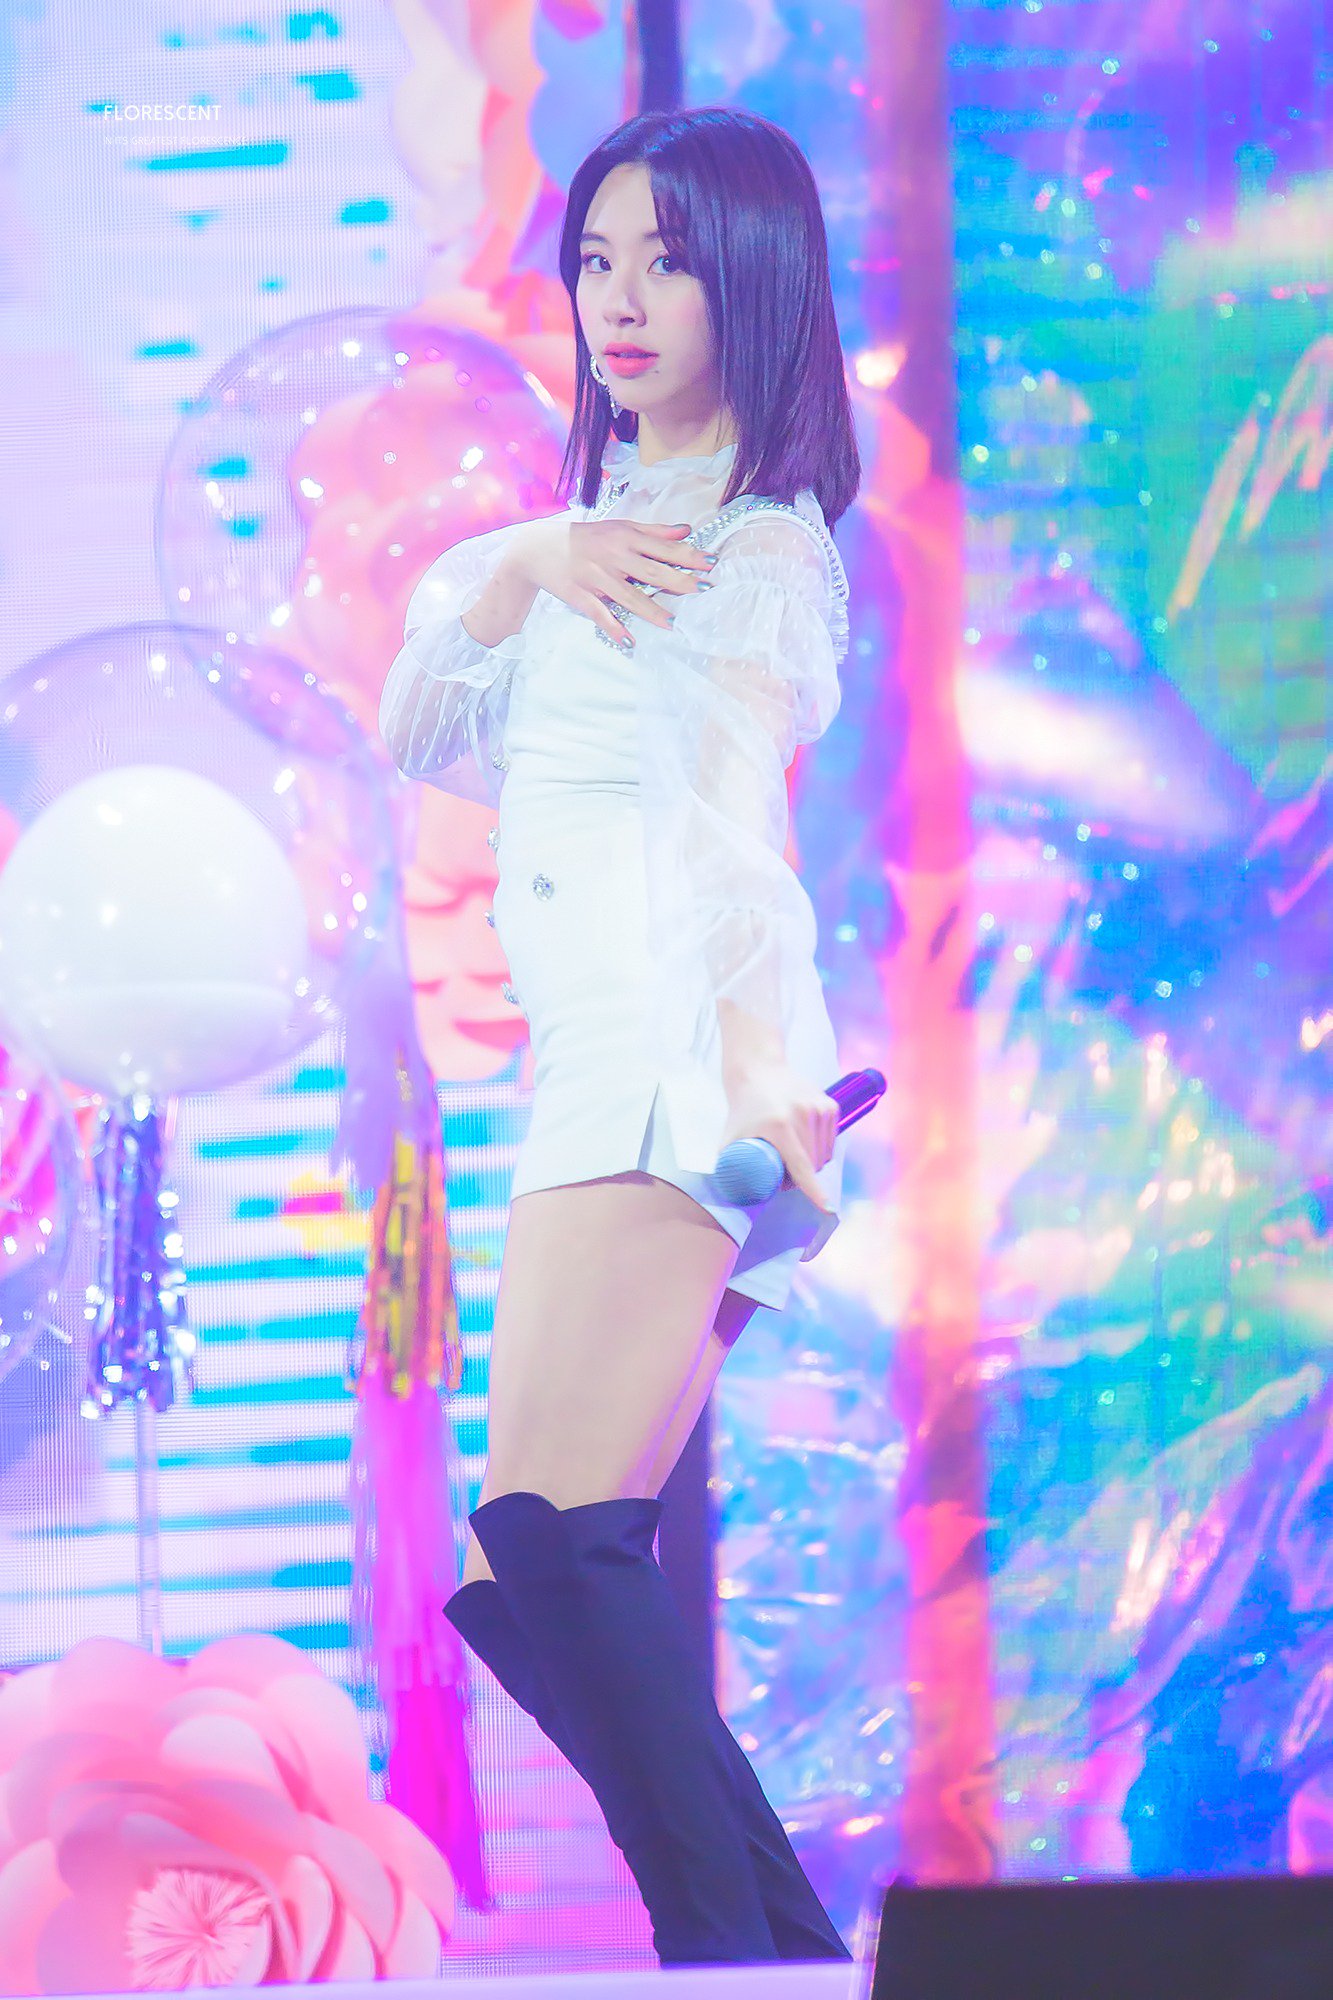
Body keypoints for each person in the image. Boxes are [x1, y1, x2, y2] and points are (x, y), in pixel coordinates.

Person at [379, 105, 859, 1966]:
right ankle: (781, 1951)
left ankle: (726, 1953)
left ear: (753, 281)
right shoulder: (604, 535)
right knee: (526, 1571)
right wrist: (522, 560)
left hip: (669, 1072)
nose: (622, 300)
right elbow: (426, 732)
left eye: (668, 261)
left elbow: (734, 833)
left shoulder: (751, 545)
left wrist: (759, 1087)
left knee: (551, 1536)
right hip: (598, 1067)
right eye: (595, 259)